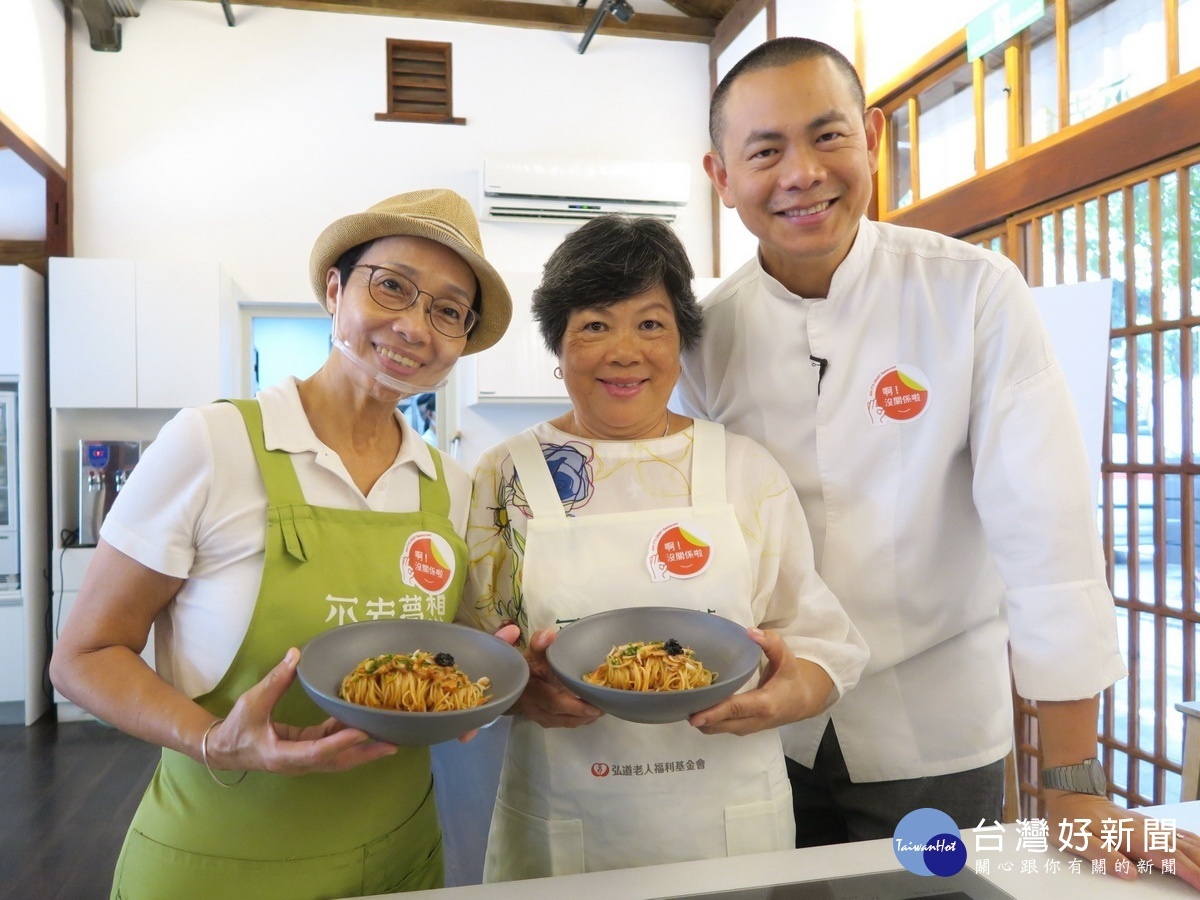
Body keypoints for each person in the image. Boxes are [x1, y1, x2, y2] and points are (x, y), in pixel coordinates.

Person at [678, 35, 1200, 887]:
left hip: (937, 731)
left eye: (828, 136)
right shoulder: (706, 333)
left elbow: (1048, 532)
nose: (802, 172)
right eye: (765, 151)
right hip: (759, 728)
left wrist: (1071, 785)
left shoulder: (973, 293)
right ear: (722, 175)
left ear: (873, 137)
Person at [49, 188, 514, 899]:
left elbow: (441, 660)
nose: (415, 327)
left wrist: (484, 681)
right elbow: (83, 656)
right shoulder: (212, 443)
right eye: (392, 287)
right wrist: (215, 741)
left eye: (448, 311)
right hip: (220, 860)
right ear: (335, 289)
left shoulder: (449, 487)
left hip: (403, 858)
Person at [459, 214, 868, 882]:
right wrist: (519, 696)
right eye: (595, 324)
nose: (625, 351)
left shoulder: (744, 470)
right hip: (564, 825)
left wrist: (784, 698)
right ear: (557, 346)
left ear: (682, 342)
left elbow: (824, 641)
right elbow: (468, 656)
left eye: (650, 323)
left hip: (730, 826)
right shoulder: (503, 477)